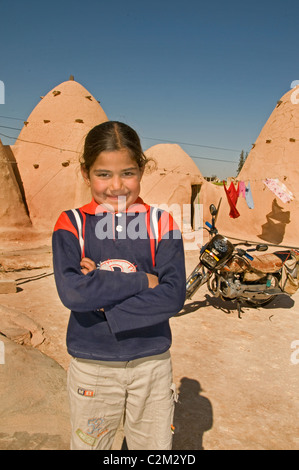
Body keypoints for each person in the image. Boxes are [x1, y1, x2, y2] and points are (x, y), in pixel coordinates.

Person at [52, 121, 186, 450]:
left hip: (151, 364)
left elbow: (173, 296)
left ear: (142, 169)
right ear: (86, 172)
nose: (116, 186)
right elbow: (73, 293)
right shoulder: (72, 224)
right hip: (93, 367)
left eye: (128, 173)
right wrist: (144, 280)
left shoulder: (161, 223)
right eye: (103, 174)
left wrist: (99, 287)